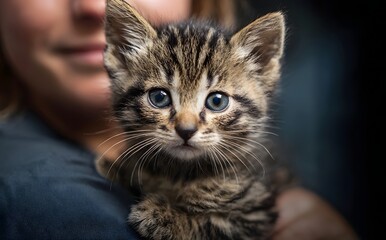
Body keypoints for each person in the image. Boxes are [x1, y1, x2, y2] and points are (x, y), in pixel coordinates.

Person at [0, 0, 357, 239]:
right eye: (160, 97)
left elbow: (257, 217)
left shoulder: (236, 173)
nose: (187, 125)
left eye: (216, 101)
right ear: (121, 55)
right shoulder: (39, 194)